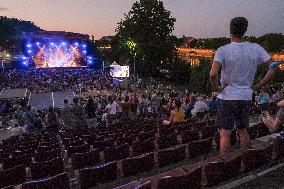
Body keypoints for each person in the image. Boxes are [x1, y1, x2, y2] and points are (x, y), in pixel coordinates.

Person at [210, 17, 276, 154]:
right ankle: (244, 159)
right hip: (246, 96)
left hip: (227, 97)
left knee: (225, 134)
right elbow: (273, 66)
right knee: (242, 130)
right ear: (245, 31)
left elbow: (213, 74)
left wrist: (216, 88)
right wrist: (260, 84)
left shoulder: (223, 50)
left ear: (230, 31)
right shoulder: (256, 48)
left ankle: (226, 164)